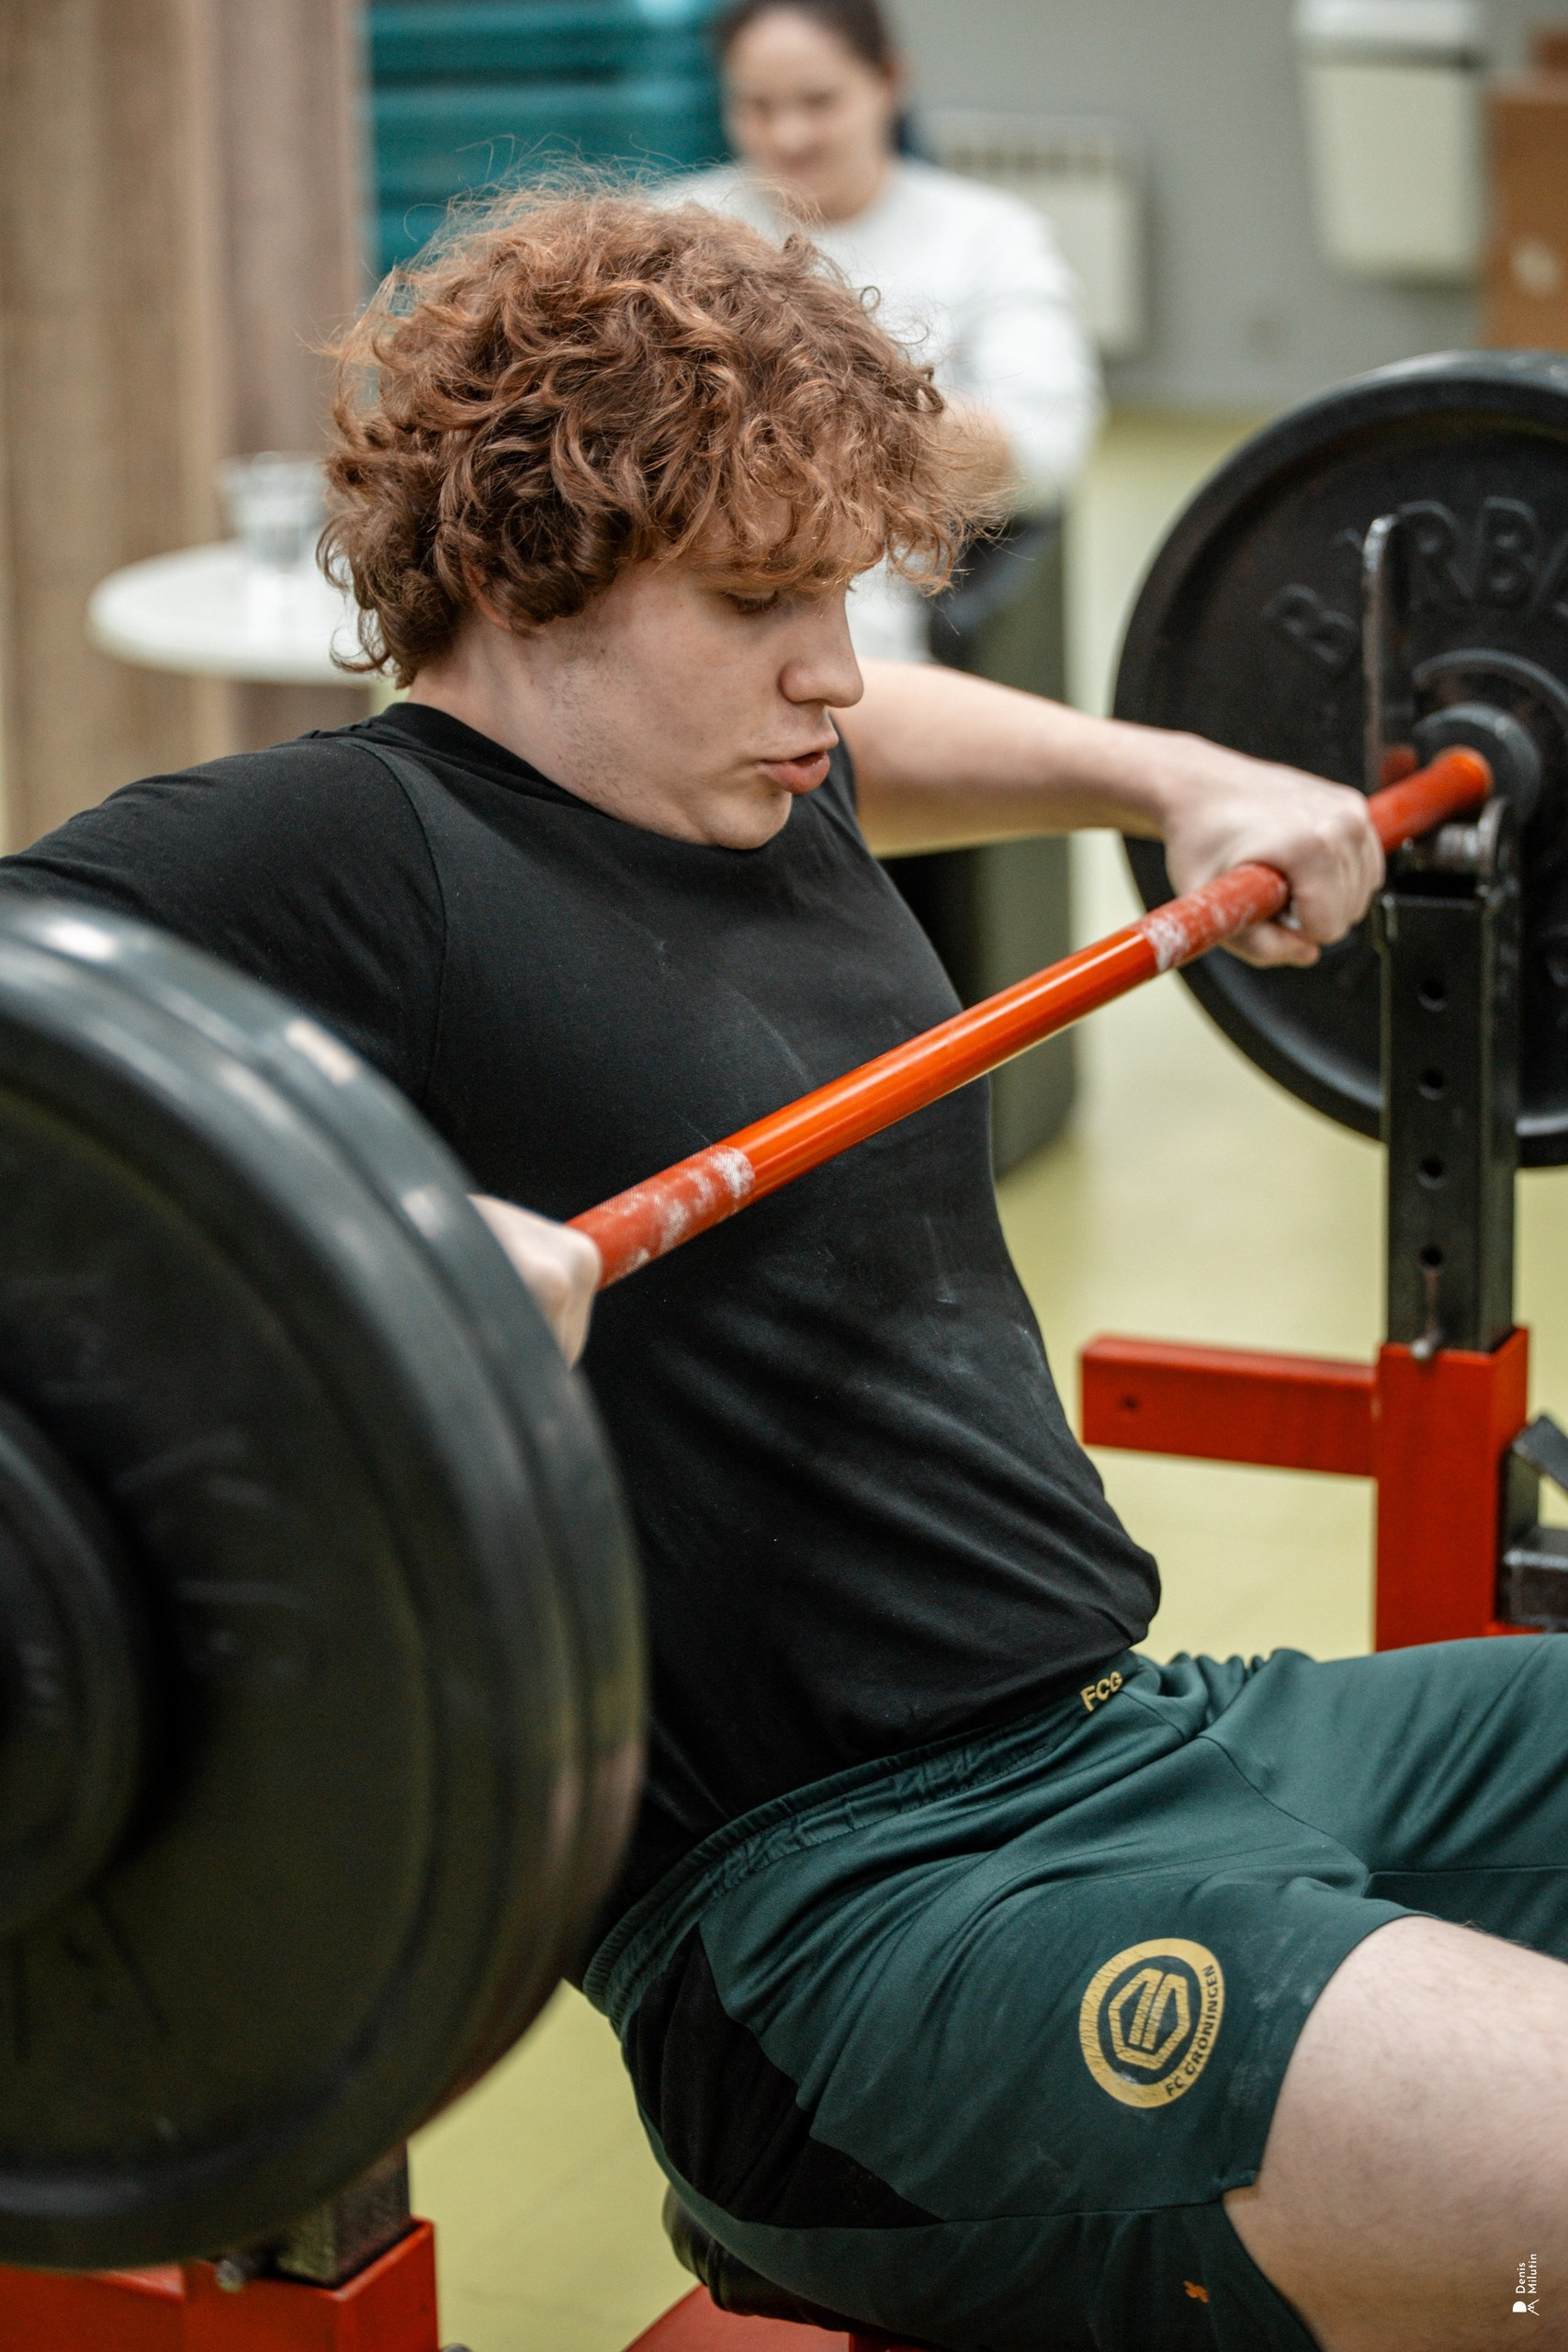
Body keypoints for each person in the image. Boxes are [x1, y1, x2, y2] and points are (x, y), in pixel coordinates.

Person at [4, 192, 1563, 2352]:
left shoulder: (750, 774)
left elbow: (884, 727)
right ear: (521, 567)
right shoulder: (349, 851)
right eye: (757, 599)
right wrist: (333, 1256)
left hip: (1152, 1729)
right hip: (854, 1932)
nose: (825, 662)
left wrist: (1173, 772)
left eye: (837, 587)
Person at [674, 0, 1101, 662]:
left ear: (889, 82)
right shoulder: (675, 230)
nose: (788, 135)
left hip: (884, 625)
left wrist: (851, 429)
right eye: (757, 107)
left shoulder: (988, 237)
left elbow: (1046, 447)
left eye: (819, 101)